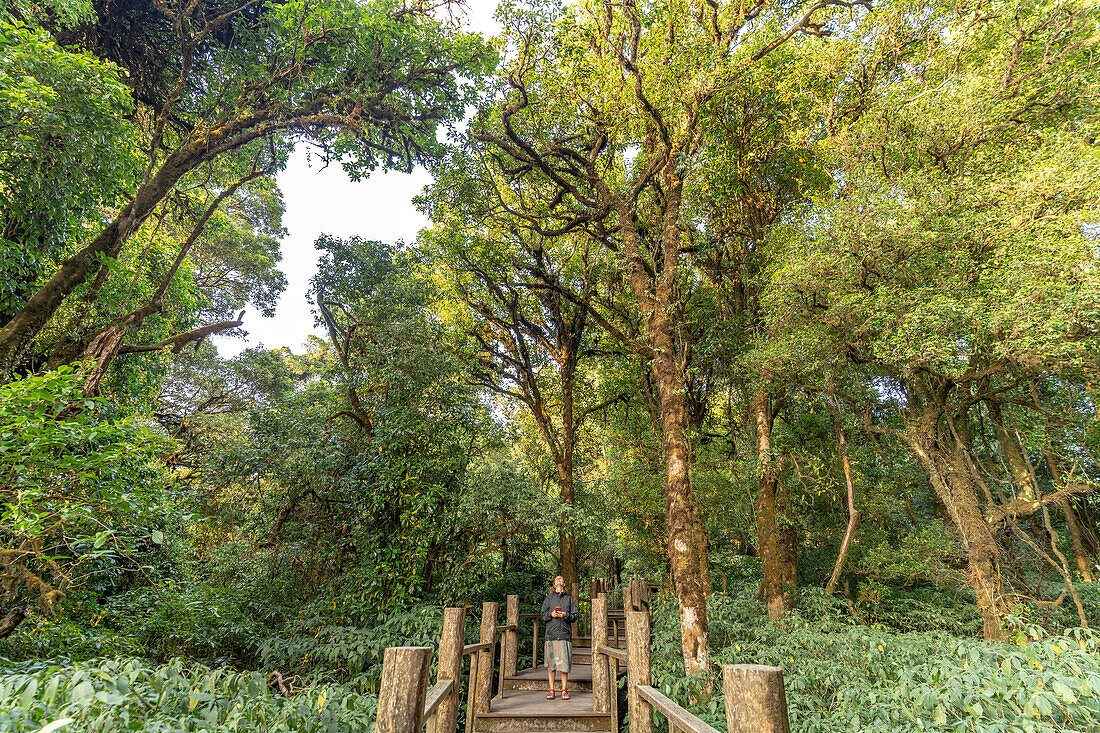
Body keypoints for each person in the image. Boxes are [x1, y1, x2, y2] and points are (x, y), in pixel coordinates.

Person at [540, 575, 578, 700]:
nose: (559, 580)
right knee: (552, 665)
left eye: (561, 578)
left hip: (564, 635)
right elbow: (543, 615)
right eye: (556, 579)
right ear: (554, 584)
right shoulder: (549, 598)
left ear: (564, 583)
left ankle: (564, 690)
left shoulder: (568, 599)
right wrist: (551, 614)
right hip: (551, 635)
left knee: (564, 664)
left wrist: (565, 615)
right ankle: (551, 689)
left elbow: (575, 615)